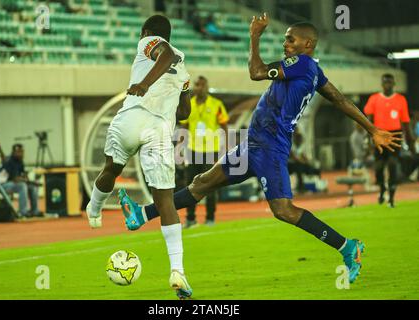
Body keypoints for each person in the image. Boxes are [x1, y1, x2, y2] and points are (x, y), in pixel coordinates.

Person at [118, 13, 402, 285]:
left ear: (308, 44)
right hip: (253, 143)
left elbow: (256, 72)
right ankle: (141, 215)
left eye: (291, 40)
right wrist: (373, 129)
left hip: (269, 147)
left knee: (283, 210)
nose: (285, 44)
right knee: (202, 182)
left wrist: (254, 37)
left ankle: (347, 246)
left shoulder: (301, 65)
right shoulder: (313, 70)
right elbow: (339, 99)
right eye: (286, 39)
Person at [85, 15, 193, 299]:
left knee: (112, 168)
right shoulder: (184, 68)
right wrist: (176, 93)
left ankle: (94, 209)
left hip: (133, 117)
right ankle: (177, 270)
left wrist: (144, 85)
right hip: (159, 129)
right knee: (165, 199)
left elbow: (165, 53)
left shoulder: (150, 42)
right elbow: (184, 113)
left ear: (146, 31)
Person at [179, 75, 229, 228]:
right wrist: (180, 147)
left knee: (210, 185)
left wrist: (224, 149)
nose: (198, 87)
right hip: (193, 150)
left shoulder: (216, 104)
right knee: (190, 185)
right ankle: (190, 218)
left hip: (211, 151)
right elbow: (184, 127)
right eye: (196, 85)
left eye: (201, 85)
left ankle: (210, 218)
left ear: (207, 87)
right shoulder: (189, 104)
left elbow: (224, 127)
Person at [363, 73, 415, 208]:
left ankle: (391, 198)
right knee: (379, 167)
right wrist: (368, 138)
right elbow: (368, 119)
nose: (387, 85)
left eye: (390, 82)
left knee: (393, 165)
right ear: (382, 84)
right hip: (379, 135)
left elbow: (406, 123)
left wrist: (410, 142)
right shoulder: (374, 99)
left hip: (394, 135)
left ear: (393, 84)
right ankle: (381, 189)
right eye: (385, 82)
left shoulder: (401, 99)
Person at [0, 144, 41, 218]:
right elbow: (15, 179)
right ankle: (23, 211)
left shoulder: (20, 161)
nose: (21, 153)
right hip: (1, 186)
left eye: (22, 151)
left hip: (12, 184)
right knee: (22, 186)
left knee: (33, 187)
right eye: (19, 152)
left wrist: (31, 181)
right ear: (13, 152)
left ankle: (35, 211)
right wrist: (27, 181)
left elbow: (23, 175)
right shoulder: (9, 161)